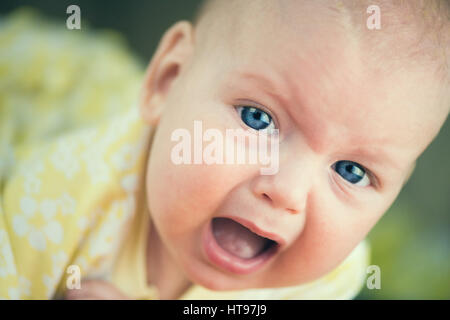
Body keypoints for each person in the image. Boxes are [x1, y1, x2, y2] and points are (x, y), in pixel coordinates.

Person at [0, 0, 448, 300]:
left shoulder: (332, 274)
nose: (287, 192)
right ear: (169, 79)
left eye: (351, 171)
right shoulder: (56, 198)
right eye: (258, 118)